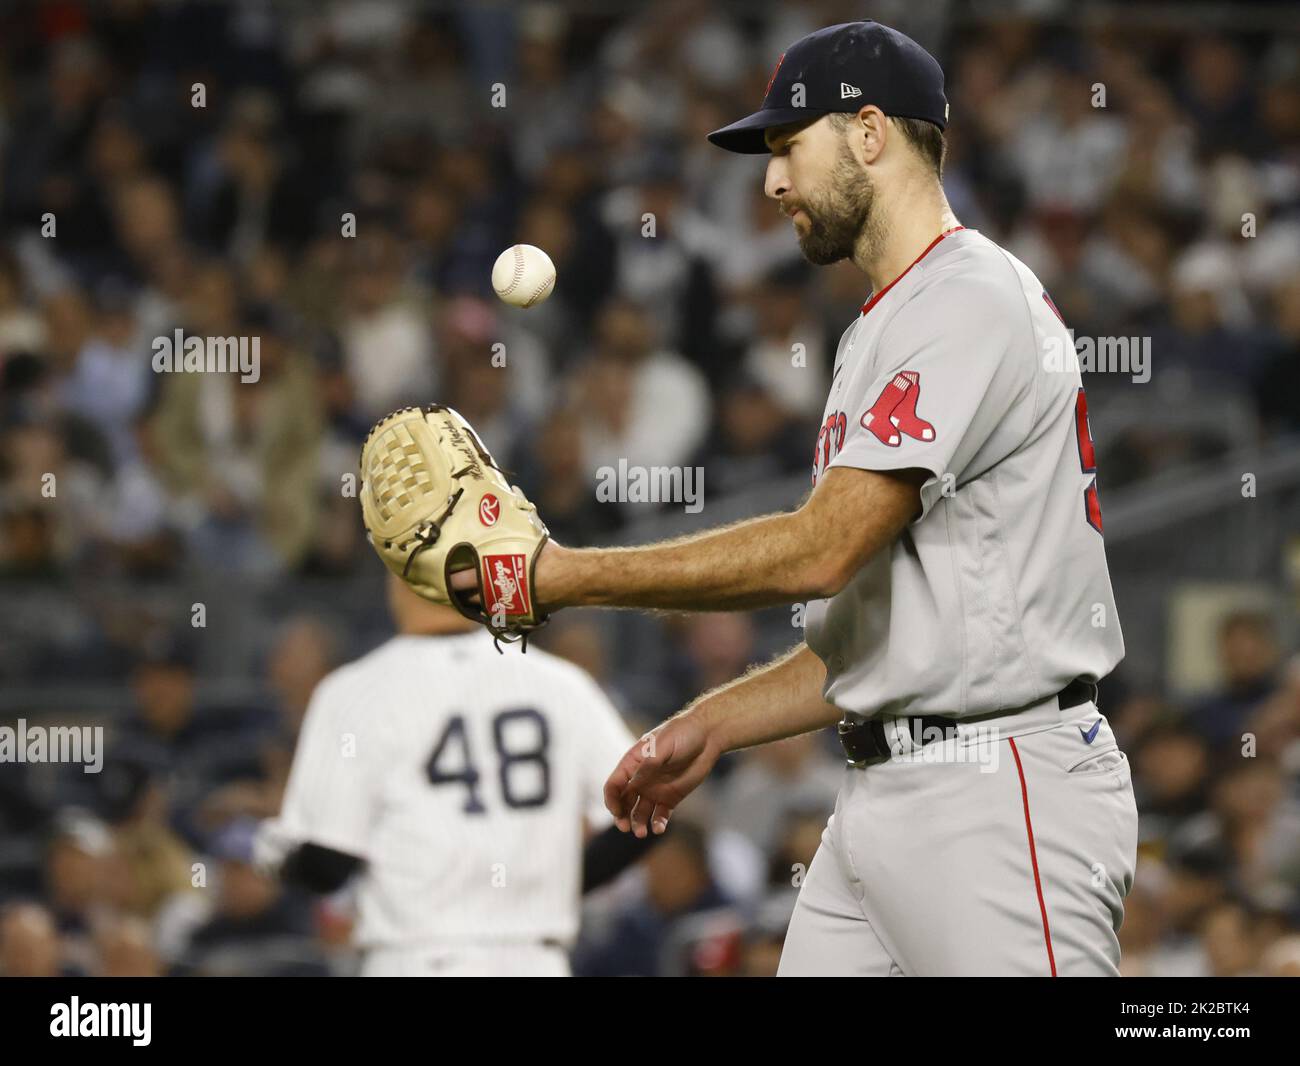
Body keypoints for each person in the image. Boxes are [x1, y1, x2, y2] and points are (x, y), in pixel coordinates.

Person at [466, 20, 1138, 976]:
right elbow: (878, 635)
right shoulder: (880, 327)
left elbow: (819, 549)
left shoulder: (970, 297)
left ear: (871, 134)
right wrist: (715, 722)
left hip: (998, 788)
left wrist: (565, 576)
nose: (772, 181)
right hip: (882, 795)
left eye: (789, 146)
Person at [256, 575, 645, 976]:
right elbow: (644, 812)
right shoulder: (561, 683)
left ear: (398, 576)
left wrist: (275, 855)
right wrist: (562, 883)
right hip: (534, 959)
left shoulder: (356, 690)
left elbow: (327, 866)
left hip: (417, 958)